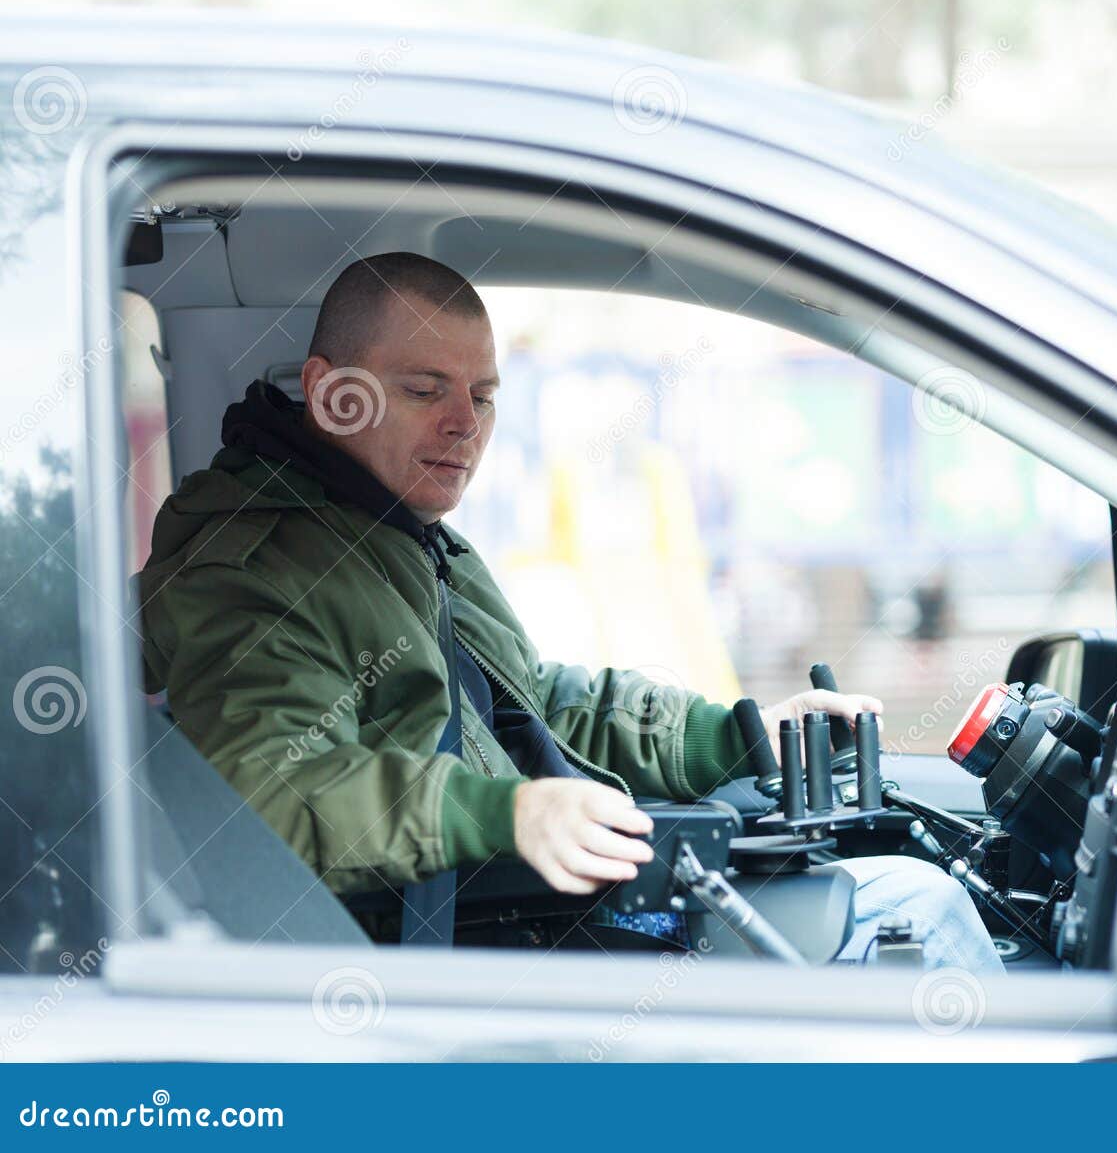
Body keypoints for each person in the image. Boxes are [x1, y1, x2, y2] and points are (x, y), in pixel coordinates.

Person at [138, 252, 1000, 974]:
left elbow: (538, 702)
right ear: (332, 393)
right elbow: (269, 789)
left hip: (541, 910)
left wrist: (738, 735)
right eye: (424, 388)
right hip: (455, 948)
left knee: (874, 874)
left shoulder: (404, 536)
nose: (463, 425)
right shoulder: (255, 570)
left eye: (481, 395)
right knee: (915, 911)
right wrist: (503, 812)